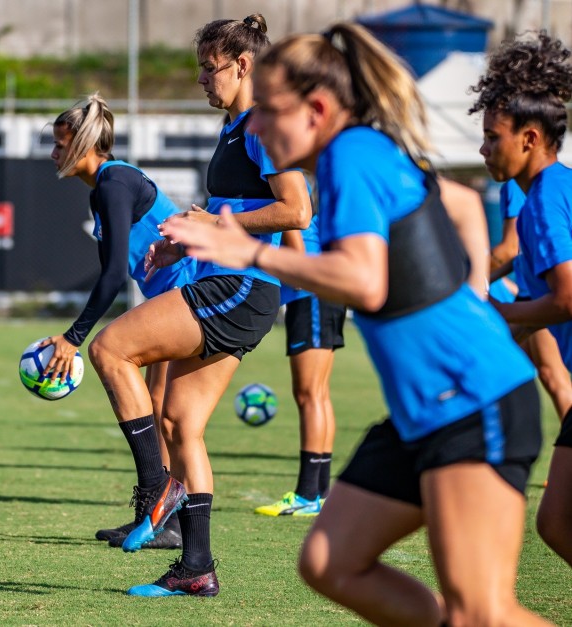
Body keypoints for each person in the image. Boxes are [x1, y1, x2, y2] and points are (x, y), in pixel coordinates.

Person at [159, 23, 548, 624]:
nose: (254, 125)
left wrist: (247, 250)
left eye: (267, 110)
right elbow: (466, 205)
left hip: (474, 403)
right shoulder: (359, 153)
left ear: (315, 109)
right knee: (330, 563)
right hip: (426, 411)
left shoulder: (352, 155)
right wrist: (468, 295)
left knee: (483, 613)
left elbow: (364, 280)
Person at [94, 14, 310, 597]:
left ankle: (155, 488)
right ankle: (196, 568)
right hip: (232, 287)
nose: (201, 81)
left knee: (110, 348)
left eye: (207, 70)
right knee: (181, 422)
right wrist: (179, 238)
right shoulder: (237, 127)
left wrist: (215, 222)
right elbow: (234, 204)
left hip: (238, 288)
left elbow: (296, 211)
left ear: (242, 65)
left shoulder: (267, 122)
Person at [37, 94, 198, 550]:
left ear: (83, 144)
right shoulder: (102, 190)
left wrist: (73, 337)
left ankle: (165, 518)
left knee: (167, 413)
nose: (53, 153)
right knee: (158, 407)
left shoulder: (114, 183)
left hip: (190, 294)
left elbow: (110, 278)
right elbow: (112, 272)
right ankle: (157, 519)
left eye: (59, 143)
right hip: (172, 296)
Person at [474, 31, 572, 569]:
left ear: (529, 139)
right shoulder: (553, 189)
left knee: (556, 522)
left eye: (492, 138)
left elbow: (566, 299)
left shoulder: (544, 201)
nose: (484, 149)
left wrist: (493, 316)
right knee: (556, 522)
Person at [255, 217, 346, 518]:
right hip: (317, 297)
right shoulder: (294, 202)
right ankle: (319, 492)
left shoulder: (289, 202)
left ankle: (308, 493)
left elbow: (297, 261)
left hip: (312, 298)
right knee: (317, 394)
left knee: (309, 394)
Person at [490, 179, 572, 421]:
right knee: (501, 373)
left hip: (540, 297)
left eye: (493, 139)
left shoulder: (519, 185)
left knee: (552, 376)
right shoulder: (549, 185)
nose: (485, 150)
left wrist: (470, 282)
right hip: (533, 295)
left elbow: (509, 248)